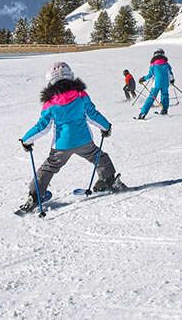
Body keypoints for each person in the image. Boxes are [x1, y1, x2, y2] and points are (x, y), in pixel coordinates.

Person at [17, 61, 123, 214]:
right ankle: (108, 180)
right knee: (99, 157)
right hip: (84, 141)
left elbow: (43, 127)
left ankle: (35, 195)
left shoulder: (50, 103)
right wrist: (106, 127)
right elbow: (92, 115)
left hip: (62, 145)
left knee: (49, 167)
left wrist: (26, 140)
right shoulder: (81, 95)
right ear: (71, 76)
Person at [135, 49, 174, 119]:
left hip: (156, 83)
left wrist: (143, 79)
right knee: (165, 95)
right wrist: (172, 80)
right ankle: (164, 110)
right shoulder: (166, 63)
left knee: (151, 97)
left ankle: (143, 113)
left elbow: (150, 75)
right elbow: (170, 73)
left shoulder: (153, 64)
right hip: (165, 83)